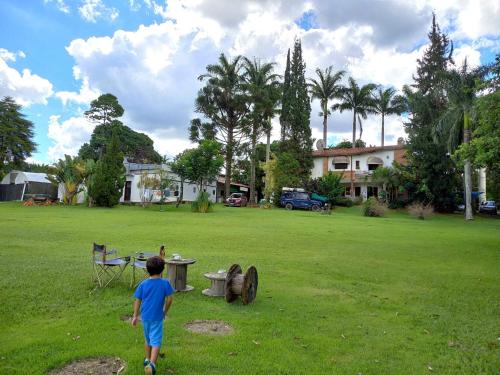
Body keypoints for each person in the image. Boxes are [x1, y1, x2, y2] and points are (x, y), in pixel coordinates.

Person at [132, 256, 174, 375]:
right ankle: (152, 365)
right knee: (156, 341)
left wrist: (135, 316)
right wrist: (165, 312)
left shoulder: (143, 284)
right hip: (157, 317)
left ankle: (147, 359)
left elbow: (137, 300)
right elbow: (170, 299)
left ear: (147, 269)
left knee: (148, 339)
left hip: (144, 317)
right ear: (162, 270)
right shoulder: (165, 283)